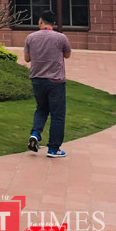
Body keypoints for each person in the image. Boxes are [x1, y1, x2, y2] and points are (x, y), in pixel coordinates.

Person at [24, 9, 72, 158]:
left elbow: (27, 59)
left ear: (40, 21)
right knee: (57, 114)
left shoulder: (30, 37)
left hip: (37, 79)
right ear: (54, 23)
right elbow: (67, 55)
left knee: (41, 109)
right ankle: (53, 148)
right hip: (55, 80)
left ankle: (35, 134)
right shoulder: (61, 38)